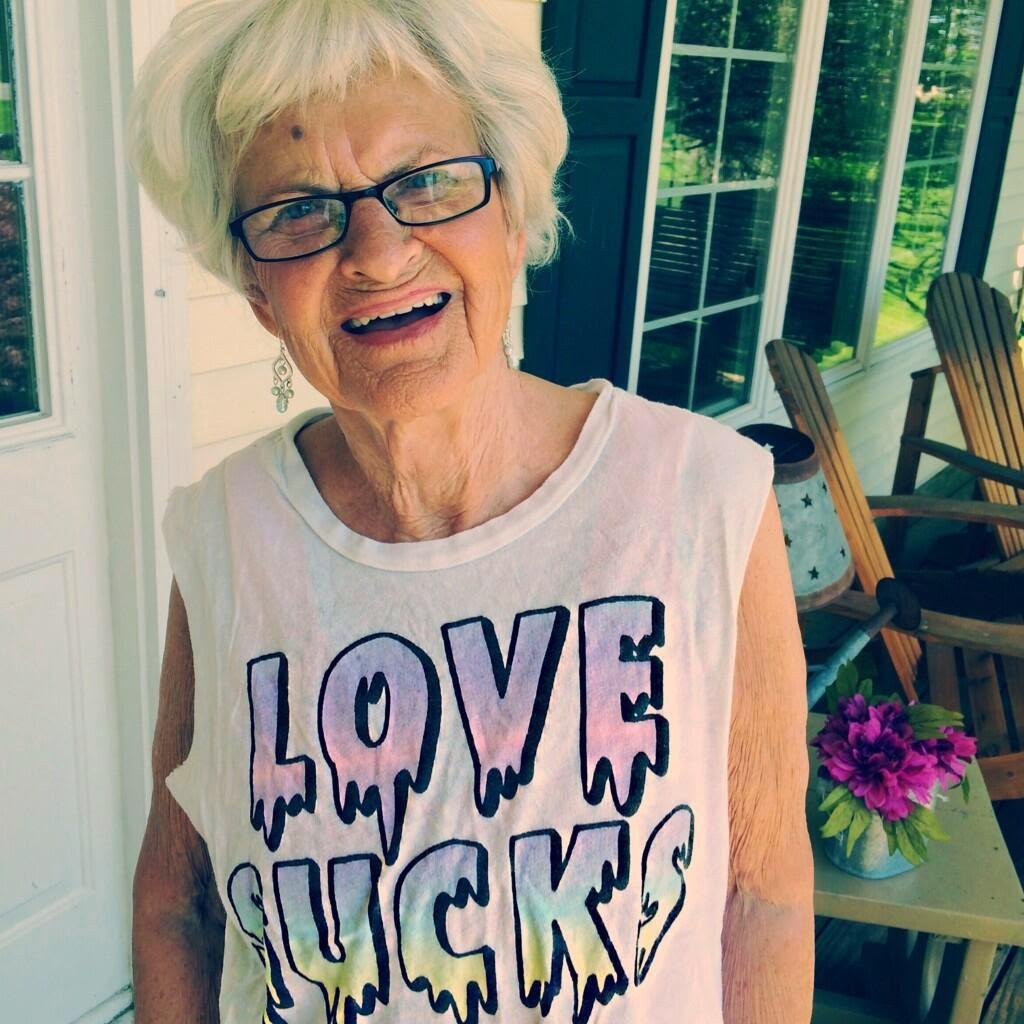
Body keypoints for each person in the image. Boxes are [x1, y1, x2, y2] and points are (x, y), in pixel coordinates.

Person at [128, 1, 814, 1021]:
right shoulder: (226, 533)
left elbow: (761, 894)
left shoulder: (702, 498)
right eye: (298, 210)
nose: (376, 251)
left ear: (514, 213)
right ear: (258, 290)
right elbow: (179, 902)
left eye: (426, 182)